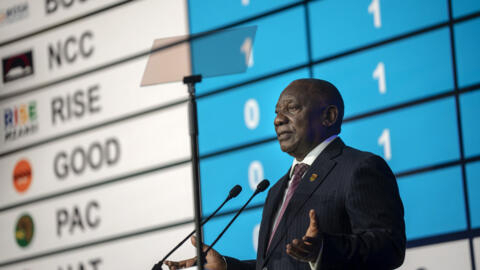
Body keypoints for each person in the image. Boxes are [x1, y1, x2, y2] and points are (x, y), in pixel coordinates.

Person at [165, 79, 406, 270]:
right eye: (277, 112)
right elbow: (279, 264)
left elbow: (389, 247)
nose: (278, 120)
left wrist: (323, 250)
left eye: (292, 108)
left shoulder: (360, 168)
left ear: (328, 116)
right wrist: (228, 266)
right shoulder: (277, 188)